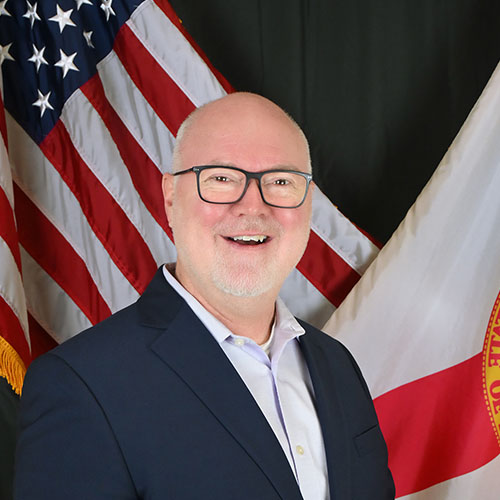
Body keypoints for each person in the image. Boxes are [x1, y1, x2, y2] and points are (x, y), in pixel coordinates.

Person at [14, 93, 394, 499]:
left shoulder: (337, 365)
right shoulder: (81, 385)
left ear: (308, 202)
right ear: (171, 197)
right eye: (221, 178)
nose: (253, 204)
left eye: (281, 181)